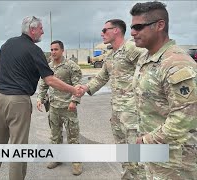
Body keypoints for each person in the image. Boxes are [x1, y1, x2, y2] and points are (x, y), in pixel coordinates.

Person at [0, 16, 83, 180]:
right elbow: (49, 79)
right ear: (32, 29)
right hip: (17, 102)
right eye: (41, 28)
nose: (43, 31)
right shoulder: (34, 50)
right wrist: (73, 89)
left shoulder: (7, 44)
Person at [130, 2, 197, 179]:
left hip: (175, 161)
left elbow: (185, 118)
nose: (132, 32)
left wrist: (146, 141)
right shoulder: (146, 57)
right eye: (131, 27)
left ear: (160, 25)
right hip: (155, 154)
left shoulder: (176, 63)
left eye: (138, 27)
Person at [77, 19, 145, 179]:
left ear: (116, 31)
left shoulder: (132, 49)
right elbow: (101, 78)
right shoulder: (110, 55)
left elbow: (151, 67)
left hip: (133, 114)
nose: (102, 33)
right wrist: (84, 88)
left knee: (137, 156)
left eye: (105, 30)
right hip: (117, 113)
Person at [37, 40, 83, 176]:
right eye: (51, 49)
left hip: (68, 107)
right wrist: (40, 98)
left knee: (73, 136)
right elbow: (44, 84)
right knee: (55, 136)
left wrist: (74, 101)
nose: (53, 52)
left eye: (56, 49)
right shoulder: (48, 66)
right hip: (53, 107)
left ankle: (76, 162)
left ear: (62, 50)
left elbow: (78, 85)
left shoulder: (71, 66)